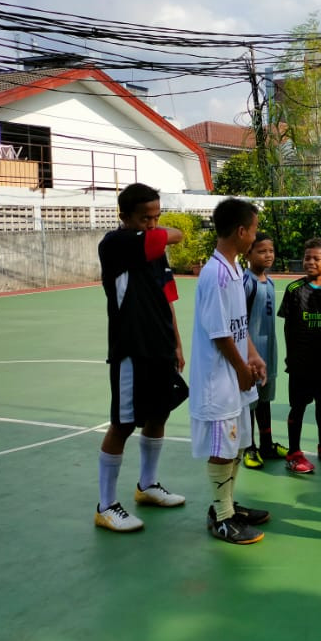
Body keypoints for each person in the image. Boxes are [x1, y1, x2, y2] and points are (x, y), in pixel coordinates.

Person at [95, 183, 187, 532]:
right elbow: (174, 234)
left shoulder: (154, 248)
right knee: (123, 423)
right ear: (124, 217)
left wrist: (176, 343)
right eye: (144, 218)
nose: (152, 224)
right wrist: (165, 230)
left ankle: (147, 485)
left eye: (156, 217)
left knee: (159, 412)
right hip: (131, 348)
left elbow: (168, 296)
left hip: (160, 346)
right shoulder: (116, 244)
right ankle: (106, 505)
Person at [189, 198, 271, 545]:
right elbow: (218, 331)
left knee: (236, 444)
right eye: (252, 230)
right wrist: (240, 368)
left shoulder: (235, 269)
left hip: (233, 374)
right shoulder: (215, 274)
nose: (254, 237)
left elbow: (237, 327)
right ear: (241, 231)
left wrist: (253, 356)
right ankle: (222, 517)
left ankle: (227, 505)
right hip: (217, 378)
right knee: (223, 446)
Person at [277, 237, 321, 474]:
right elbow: (288, 327)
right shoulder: (294, 290)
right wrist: (291, 356)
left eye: (316, 258)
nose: (309, 262)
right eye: (307, 257)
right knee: (298, 407)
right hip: (300, 361)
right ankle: (294, 452)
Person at [241, 233, 289, 469]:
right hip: (252, 355)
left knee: (265, 401)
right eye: (261, 251)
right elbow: (239, 321)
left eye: (270, 250)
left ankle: (266, 444)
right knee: (250, 402)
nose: (268, 255)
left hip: (269, 353)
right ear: (248, 254)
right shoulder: (246, 282)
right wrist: (247, 354)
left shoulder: (269, 282)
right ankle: (248, 447)